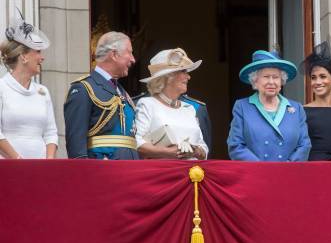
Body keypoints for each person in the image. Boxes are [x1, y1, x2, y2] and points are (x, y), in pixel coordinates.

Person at [64, 31, 138, 159]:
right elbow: (76, 144)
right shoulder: (84, 88)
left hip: (130, 168)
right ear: (114, 54)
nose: (133, 59)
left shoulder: (121, 91)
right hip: (102, 170)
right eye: (129, 52)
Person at [227, 50, 311, 161]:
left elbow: (304, 145)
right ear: (255, 81)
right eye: (266, 76)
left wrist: (288, 165)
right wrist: (263, 169)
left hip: (289, 173)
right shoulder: (242, 107)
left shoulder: (297, 108)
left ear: (281, 81)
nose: (271, 82)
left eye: (275, 77)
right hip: (255, 174)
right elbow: (236, 146)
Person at [0, 14, 58, 158]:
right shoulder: (2, 88)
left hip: (40, 170)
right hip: (9, 168)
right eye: (38, 52)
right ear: (23, 57)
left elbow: (51, 133)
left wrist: (49, 162)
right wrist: (18, 161)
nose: (42, 58)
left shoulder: (42, 91)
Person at [134, 48, 208, 160]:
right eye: (183, 71)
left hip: (193, 173)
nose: (188, 77)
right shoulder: (147, 104)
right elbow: (138, 144)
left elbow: (203, 148)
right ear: (168, 77)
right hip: (162, 173)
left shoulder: (189, 109)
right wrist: (168, 152)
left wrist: (195, 151)